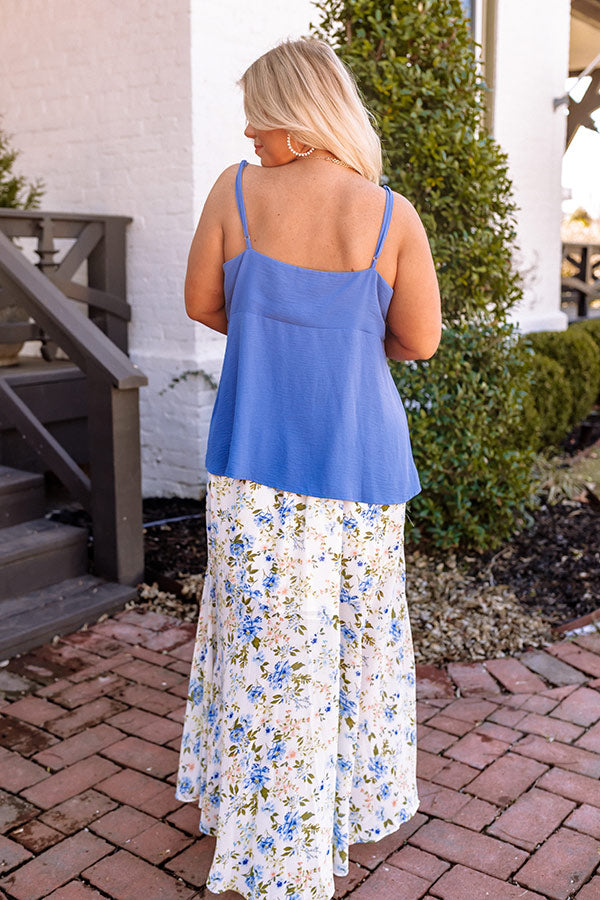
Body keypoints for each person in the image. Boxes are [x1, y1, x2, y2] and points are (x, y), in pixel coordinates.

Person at [175, 37, 441, 900]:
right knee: (353, 646)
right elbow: (420, 340)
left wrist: (272, 329)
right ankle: (334, 823)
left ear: (297, 116)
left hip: (256, 461)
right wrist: (344, 337)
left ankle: (269, 849)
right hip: (362, 466)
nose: (249, 132)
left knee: (265, 653)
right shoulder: (391, 214)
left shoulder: (235, 191)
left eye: (258, 114)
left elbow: (201, 302)